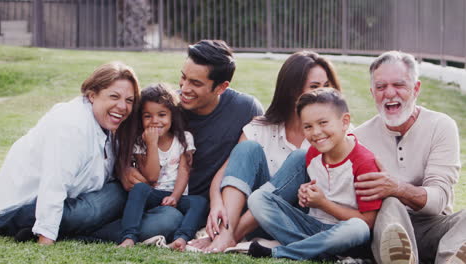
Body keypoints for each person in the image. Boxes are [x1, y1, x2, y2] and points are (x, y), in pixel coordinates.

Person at [93, 39, 263, 243]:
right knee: (96, 207)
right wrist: (124, 168)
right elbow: (124, 132)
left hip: (186, 205)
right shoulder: (168, 107)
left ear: (221, 87)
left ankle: (88, 235)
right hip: (144, 190)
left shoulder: (246, 109)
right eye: (183, 77)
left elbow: (249, 162)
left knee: (165, 223)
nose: (184, 88)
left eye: (196, 83)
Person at [191, 51, 343, 252]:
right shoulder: (261, 128)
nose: (323, 95)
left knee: (299, 158)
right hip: (252, 222)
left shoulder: (339, 132)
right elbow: (225, 174)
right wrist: (216, 203)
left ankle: (230, 236)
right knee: (247, 148)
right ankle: (227, 233)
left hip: (296, 221)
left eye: (326, 87)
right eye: (314, 87)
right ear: (292, 90)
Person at [0, 62, 140, 245]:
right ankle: (44, 228)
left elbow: (95, 172)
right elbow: (54, 183)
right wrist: (46, 240)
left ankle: (60, 230)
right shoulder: (72, 125)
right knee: (115, 198)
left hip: (63, 201)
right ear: (92, 95)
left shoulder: (104, 124)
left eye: (129, 100)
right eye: (114, 96)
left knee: (123, 198)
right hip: (22, 209)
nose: (123, 107)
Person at [353, 51, 466, 264]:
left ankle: (451, 258)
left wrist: (396, 187)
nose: (389, 93)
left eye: (399, 85)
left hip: (434, 228)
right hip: (384, 230)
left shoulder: (441, 126)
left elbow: (439, 199)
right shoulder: (358, 138)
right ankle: (399, 256)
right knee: (390, 204)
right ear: (372, 93)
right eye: (381, 87)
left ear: (416, 89)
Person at [246, 88, 382, 260]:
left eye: (323, 123)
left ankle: (282, 252)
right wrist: (305, 194)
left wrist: (323, 203)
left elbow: (368, 222)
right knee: (258, 199)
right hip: (310, 227)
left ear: (345, 121)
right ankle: (323, 255)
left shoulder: (364, 162)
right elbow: (316, 193)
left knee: (357, 227)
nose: (316, 132)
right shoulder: (313, 153)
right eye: (308, 126)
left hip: (344, 235)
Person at [118, 84, 207, 251]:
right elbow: (151, 177)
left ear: (172, 115)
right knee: (139, 189)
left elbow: (184, 171)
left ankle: (181, 238)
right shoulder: (140, 141)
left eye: (162, 115)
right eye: (147, 116)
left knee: (199, 202)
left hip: (175, 196)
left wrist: (175, 196)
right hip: (152, 193)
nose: (155, 121)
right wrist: (151, 144)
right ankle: (129, 237)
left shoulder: (184, 138)